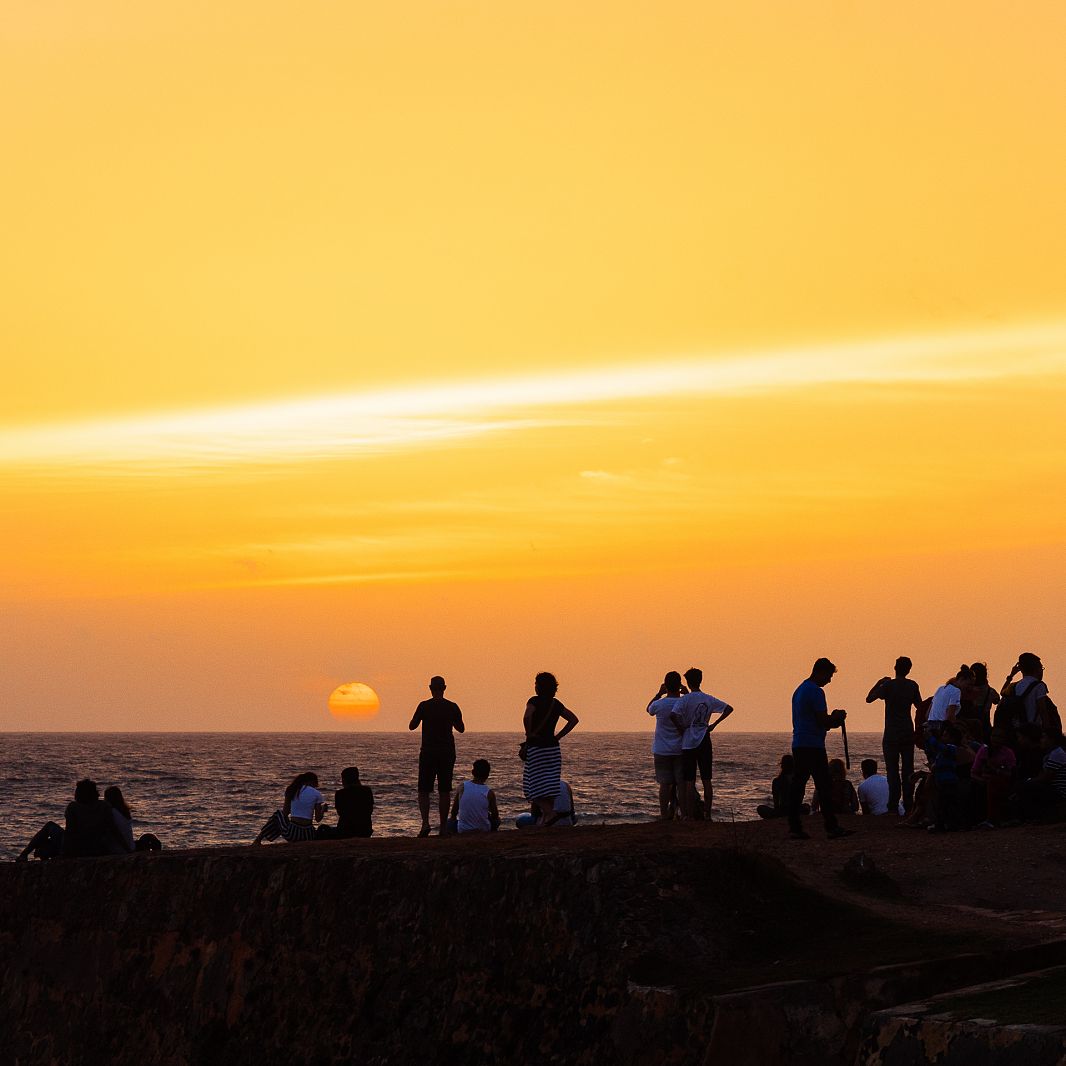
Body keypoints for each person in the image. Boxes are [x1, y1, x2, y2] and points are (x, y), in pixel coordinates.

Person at [787, 657, 852, 840]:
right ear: (821, 672)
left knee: (798, 785)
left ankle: (794, 826)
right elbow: (822, 721)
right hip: (813, 746)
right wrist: (837, 718)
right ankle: (831, 827)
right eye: (829, 676)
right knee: (824, 786)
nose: (829, 680)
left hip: (800, 743)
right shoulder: (816, 692)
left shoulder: (800, 690)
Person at [409, 676, 465, 837]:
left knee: (424, 789)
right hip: (447, 752)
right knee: (444, 790)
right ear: (444, 688)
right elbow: (461, 728)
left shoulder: (424, 706)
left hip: (428, 751)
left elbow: (412, 726)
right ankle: (442, 827)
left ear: (430, 688)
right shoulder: (452, 706)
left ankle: (425, 823)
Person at [675, 667, 734, 820]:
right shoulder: (708, 699)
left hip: (688, 741)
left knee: (689, 781)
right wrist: (714, 724)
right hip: (704, 739)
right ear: (700, 680)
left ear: (687, 682)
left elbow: (673, 714)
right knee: (706, 779)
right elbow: (728, 709)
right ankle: (707, 814)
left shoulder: (684, 700)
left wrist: (682, 727)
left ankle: (687, 815)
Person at [866, 657, 922, 815]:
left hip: (891, 733)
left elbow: (869, 698)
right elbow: (919, 706)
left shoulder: (888, 685)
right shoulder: (912, 685)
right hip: (907, 731)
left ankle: (893, 805)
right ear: (908, 670)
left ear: (895, 667)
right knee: (908, 769)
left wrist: (879, 683)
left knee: (892, 771)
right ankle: (909, 804)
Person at [522, 672, 579, 826]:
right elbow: (573, 720)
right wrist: (558, 736)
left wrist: (529, 733)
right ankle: (547, 819)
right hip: (553, 749)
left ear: (539, 686)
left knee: (531, 785)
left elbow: (527, 716)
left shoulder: (533, 701)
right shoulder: (556, 704)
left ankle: (549, 813)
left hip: (537, 748)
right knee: (550, 784)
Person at [646, 671, 687, 821]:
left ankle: (664, 814)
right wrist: (687, 693)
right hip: (680, 749)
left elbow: (648, 709)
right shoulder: (684, 702)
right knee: (681, 783)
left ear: (665, 685)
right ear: (680, 686)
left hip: (662, 749)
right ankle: (683, 814)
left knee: (664, 784)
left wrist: (658, 693)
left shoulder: (659, 704)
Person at [252, 772, 326, 844]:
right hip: (308, 835)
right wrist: (322, 810)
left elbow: (285, 812)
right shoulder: (317, 794)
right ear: (312, 782)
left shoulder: (292, 789)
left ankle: (258, 839)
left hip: (292, 834)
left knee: (278, 815)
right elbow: (318, 819)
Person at [1016, 728, 1066, 822]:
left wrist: (1029, 781)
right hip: (1056, 789)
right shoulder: (1052, 754)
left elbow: (1046, 777)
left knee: (1026, 787)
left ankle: (1029, 817)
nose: (1041, 740)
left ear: (1052, 740)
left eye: (1044, 737)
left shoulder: (1057, 754)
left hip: (1060, 792)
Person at [1000, 653, 1058, 733]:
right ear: (1036, 669)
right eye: (1041, 668)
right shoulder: (1039, 686)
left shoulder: (1014, 685)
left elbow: (1002, 692)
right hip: (1032, 730)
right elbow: (1043, 711)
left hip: (1017, 730)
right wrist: (1046, 731)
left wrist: (1011, 675)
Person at [971, 728, 1016, 826]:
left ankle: (992, 818)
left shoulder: (1008, 753)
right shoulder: (984, 751)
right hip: (983, 781)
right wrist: (982, 780)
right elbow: (974, 772)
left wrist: (995, 770)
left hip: (1001, 781)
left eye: (999, 737)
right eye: (994, 736)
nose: (995, 739)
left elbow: (1011, 773)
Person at [925, 723, 963, 831]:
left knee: (947, 804)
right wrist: (927, 740)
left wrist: (931, 739)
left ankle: (944, 825)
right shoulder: (942, 751)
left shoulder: (952, 748)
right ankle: (946, 824)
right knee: (943, 804)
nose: (942, 737)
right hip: (942, 781)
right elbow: (931, 751)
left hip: (949, 782)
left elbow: (941, 748)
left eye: (945, 735)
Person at [450, 759, 501, 834]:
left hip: (463, 829)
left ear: (473, 772)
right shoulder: (489, 793)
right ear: (487, 775)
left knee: (449, 823)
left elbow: (454, 811)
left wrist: (453, 818)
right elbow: (495, 815)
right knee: (497, 821)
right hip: (483, 829)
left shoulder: (462, 787)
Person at [757, 754, 808, 819]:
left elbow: (776, 800)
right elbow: (801, 796)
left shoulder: (777, 781)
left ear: (782, 766)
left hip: (783, 810)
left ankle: (778, 816)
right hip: (796, 809)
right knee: (806, 806)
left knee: (760, 808)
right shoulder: (799, 780)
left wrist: (777, 811)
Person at [331, 766, 374, 838]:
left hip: (345, 830)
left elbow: (340, 813)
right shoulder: (367, 791)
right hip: (365, 829)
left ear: (344, 779)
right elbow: (370, 810)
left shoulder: (340, 793)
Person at [963, 662, 999, 742]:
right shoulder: (990, 691)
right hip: (985, 726)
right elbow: (997, 700)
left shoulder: (966, 691)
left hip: (967, 726)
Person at [927, 670, 965, 734]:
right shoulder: (956, 691)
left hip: (931, 725)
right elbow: (950, 716)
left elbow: (928, 714)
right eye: (969, 684)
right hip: (942, 727)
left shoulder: (940, 688)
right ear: (961, 680)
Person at [103, 786, 136, 854]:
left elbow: (115, 833)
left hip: (118, 850)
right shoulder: (125, 812)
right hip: (131, 846)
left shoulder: (111, 812)